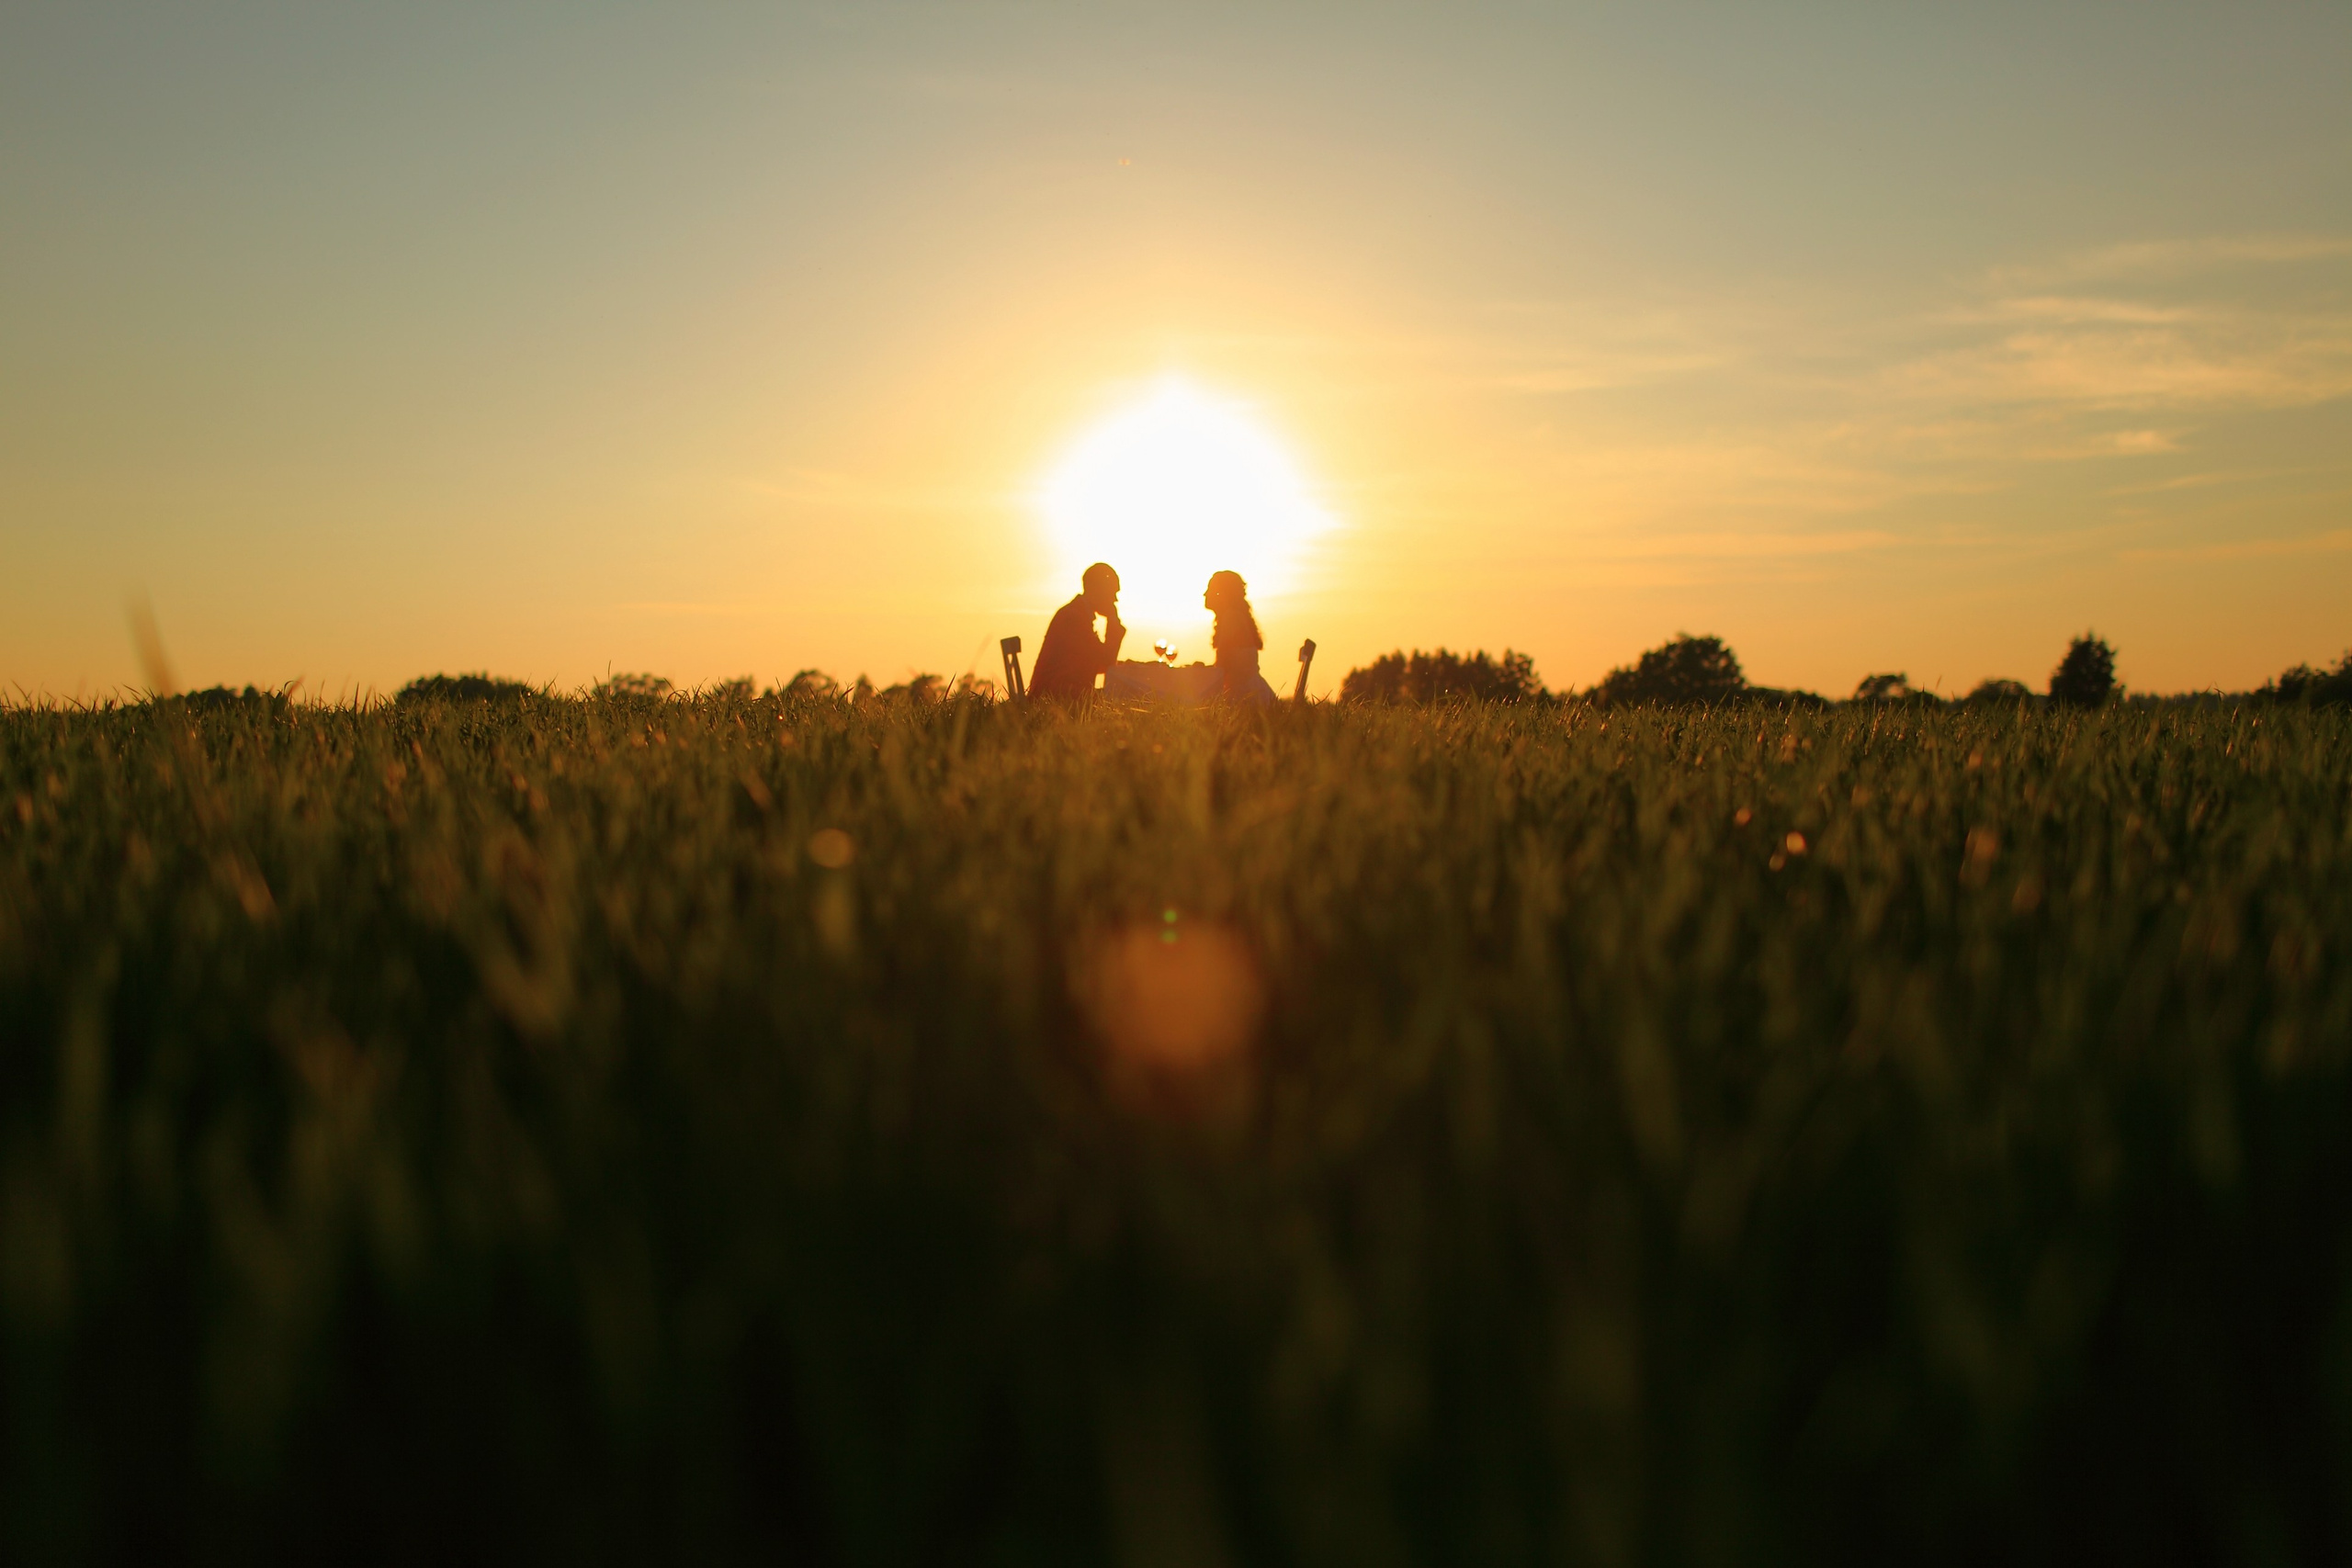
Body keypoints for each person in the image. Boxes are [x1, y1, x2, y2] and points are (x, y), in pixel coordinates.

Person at [1029, 562, 1127, 701]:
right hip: (1054, 696)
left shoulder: (1076, 614)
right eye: (1113, 593)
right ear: (1099, 591)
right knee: (1125, 698)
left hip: (1058, 692)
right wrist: (1113, 621)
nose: (1115, 600)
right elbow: (1106, 661)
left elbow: (1096, 662)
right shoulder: (1074, 619)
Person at [1204, 570, 1277, 705]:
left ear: (1223, 594)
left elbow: (1221, 667)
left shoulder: (1231, 617)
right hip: (1252, 694)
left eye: (1210, 589)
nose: (1205, 594)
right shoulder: (1233, 616)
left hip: (1246, 700)